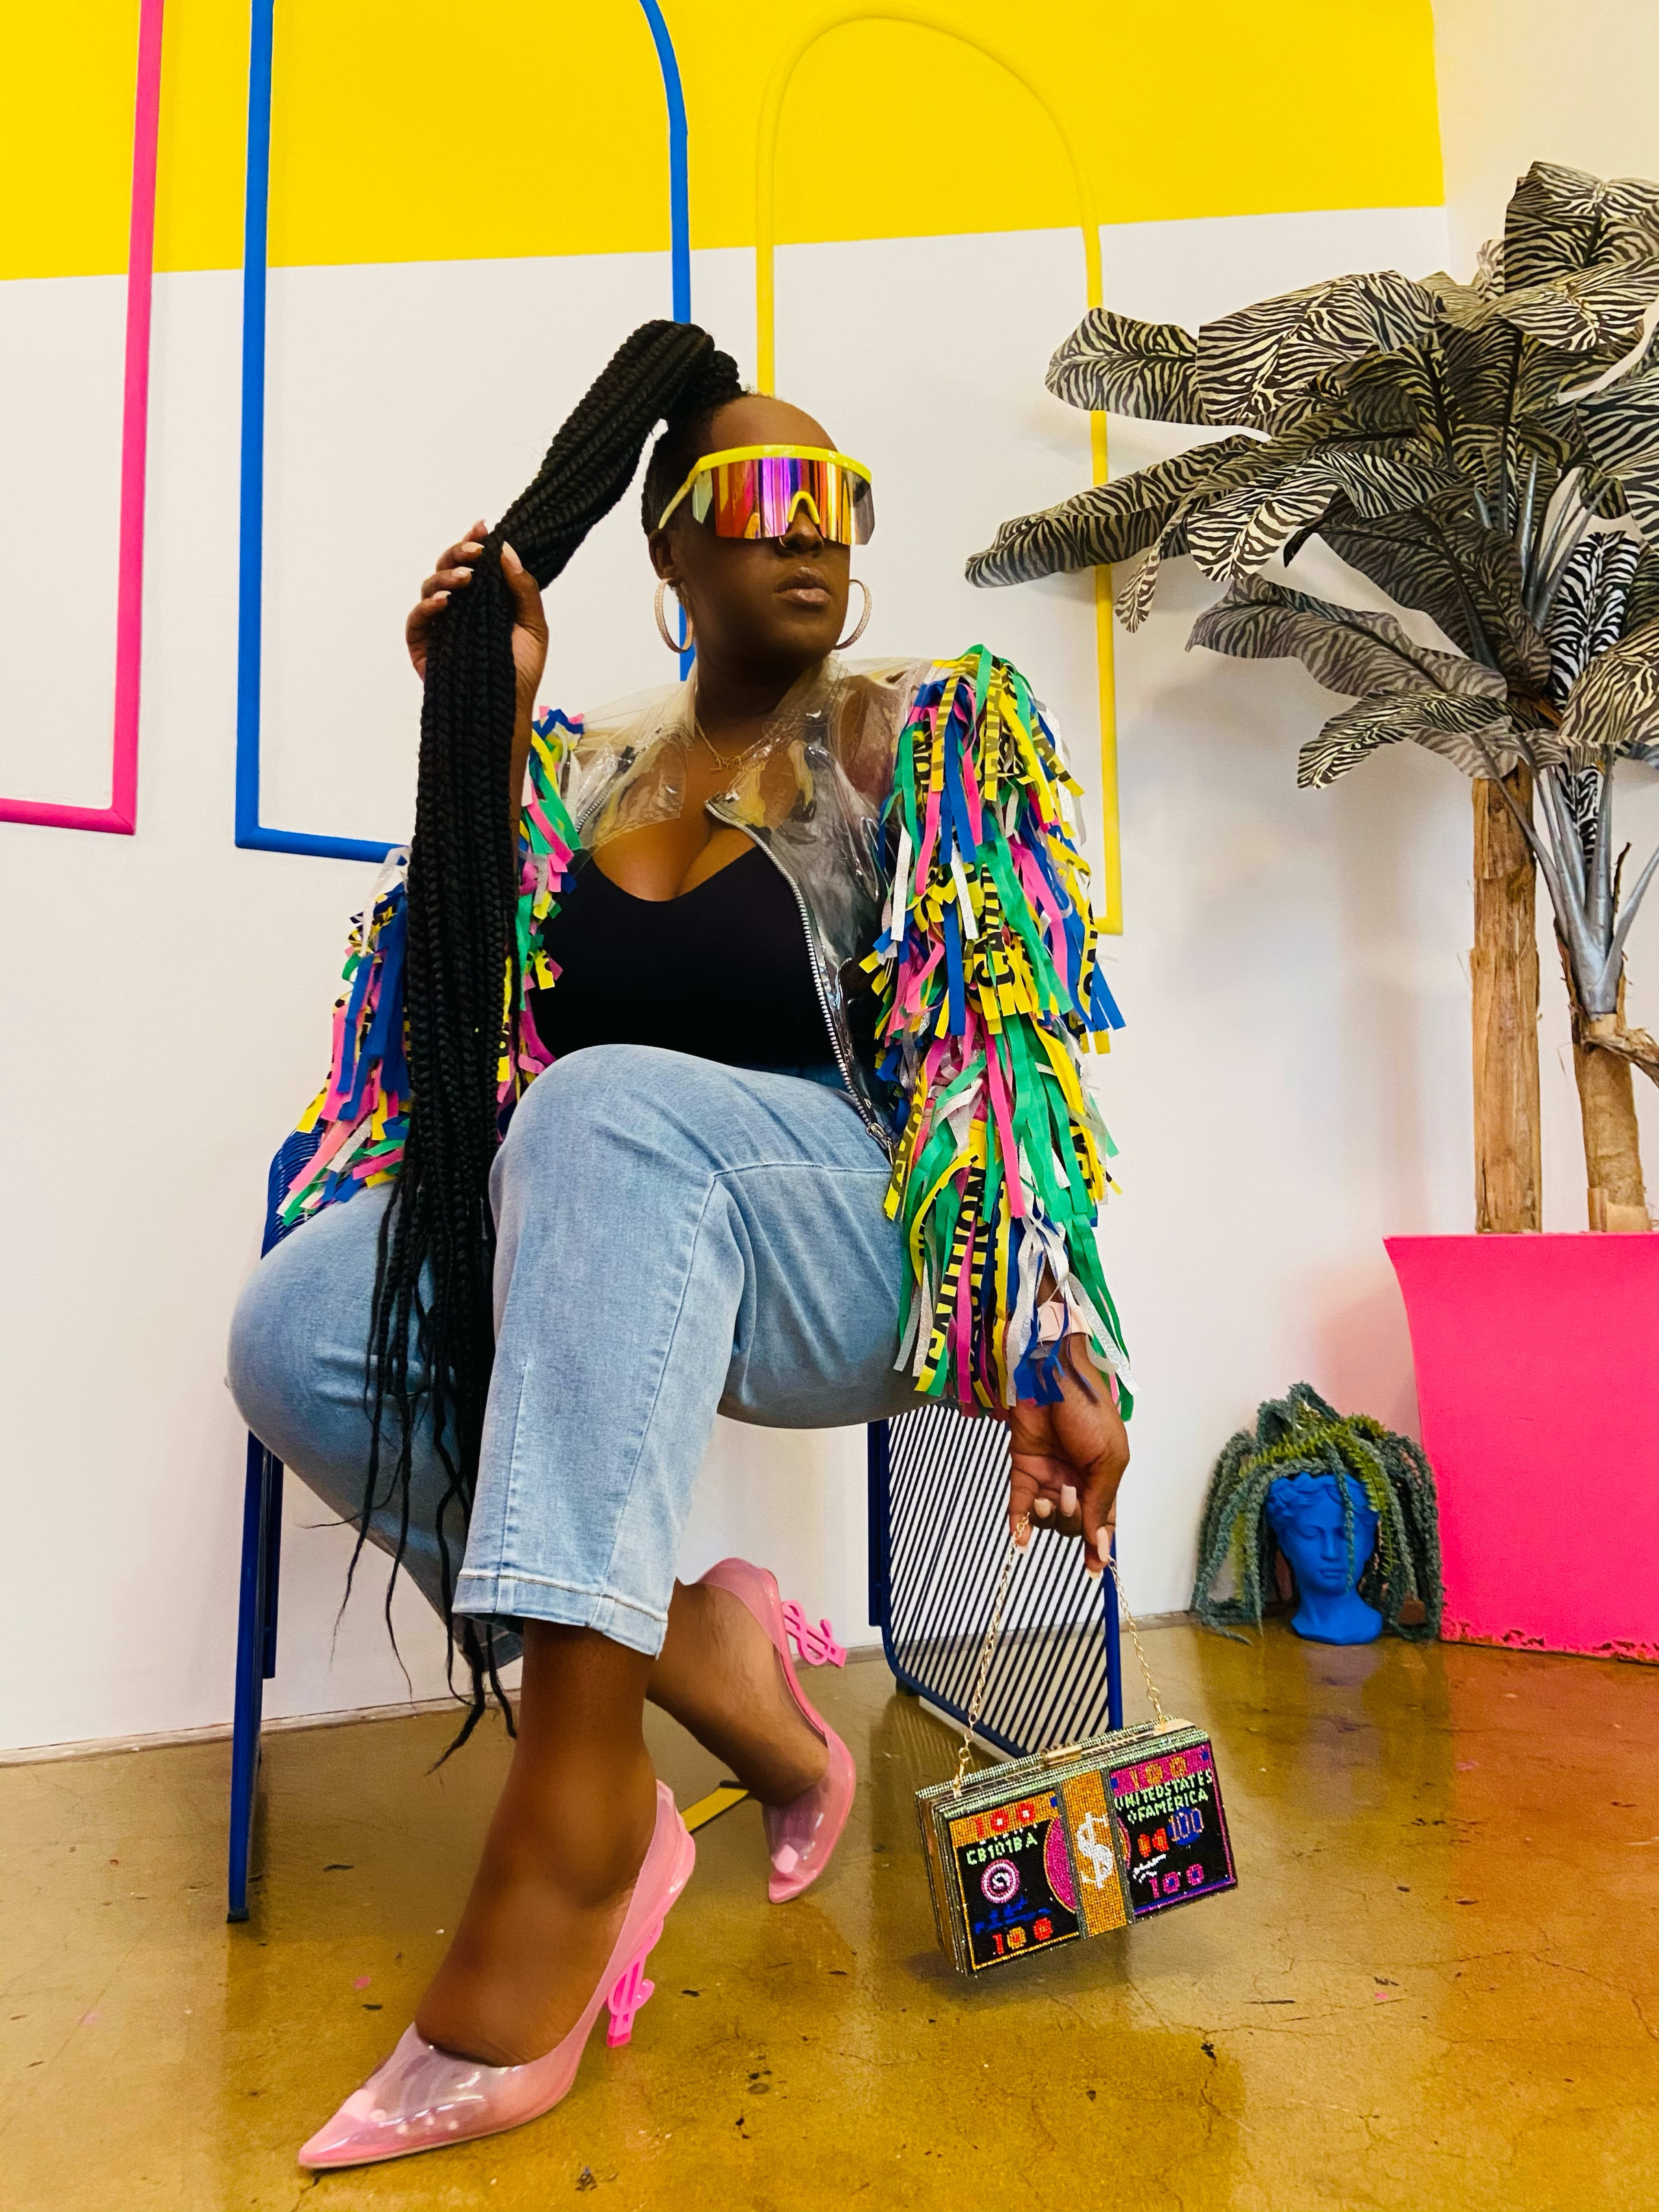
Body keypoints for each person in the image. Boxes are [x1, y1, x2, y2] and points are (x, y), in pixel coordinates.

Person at [227, 319, 1134, 2170]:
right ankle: (715, 1672)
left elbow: (1006, 1060)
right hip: (615, 1251)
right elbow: (458, 1063)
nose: (810, 531)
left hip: (860, 1241)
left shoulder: (915, 727)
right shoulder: (577, 784)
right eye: (758, 497)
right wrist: (476, 744)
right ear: (669, 551)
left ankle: (573, 1829)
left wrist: (1051, 1339)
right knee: (303, 1323)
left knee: (608, 1105)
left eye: (839, 496)